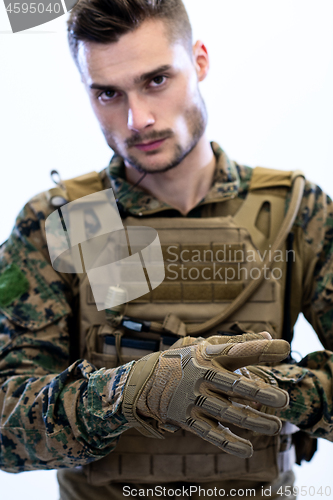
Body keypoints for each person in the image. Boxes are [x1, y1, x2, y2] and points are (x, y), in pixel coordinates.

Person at [0, 1, 332, 499]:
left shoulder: (296, 213)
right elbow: (6, 421)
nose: (138, 119)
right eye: (108, 93)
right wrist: (126, 394)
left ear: (199, 61)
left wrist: (257, 390)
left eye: (157, 80)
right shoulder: (66, 221)